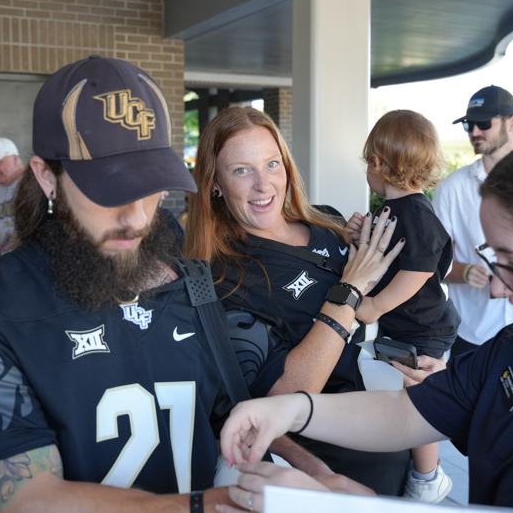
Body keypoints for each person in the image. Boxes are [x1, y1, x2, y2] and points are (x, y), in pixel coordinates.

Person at [0, 56, 337, 513]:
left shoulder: (190, 276)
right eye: (107, 190)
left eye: (149, 185)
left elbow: (229, 408)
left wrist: (307, 467)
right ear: (48, 177)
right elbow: (27, 499)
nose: (137, 217)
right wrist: (213, 505)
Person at [218, 121, 513, 513]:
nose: (499, 288)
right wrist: (291, 410)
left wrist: (360, 507)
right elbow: (405, 414)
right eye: (494, 260)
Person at [186, 106, 434, 496]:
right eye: (241, 170)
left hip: (395, 439)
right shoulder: (224, 277)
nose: (263, 185)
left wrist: (405, 364)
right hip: (328, 473)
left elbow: (368, 328)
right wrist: (347, 292)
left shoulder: (327, 223)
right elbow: (285, 396)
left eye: (271, 164)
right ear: (214, 182)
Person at [345, 110, 459, 502]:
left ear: (379, 164)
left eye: (368, 162)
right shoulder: (390, 211)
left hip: (424, 327)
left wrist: (374, 305)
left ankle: (429, 477)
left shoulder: (418, 213)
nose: (367, 170)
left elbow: (418, 272)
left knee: (418, 396)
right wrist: (363, 235)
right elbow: (383, 257)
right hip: (405, 324)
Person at [433, 86, 513, 355]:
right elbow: (432, 261)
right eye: (469, 125)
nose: (474, 132)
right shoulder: (452, 189)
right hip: (472, 337)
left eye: (484, 123)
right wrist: (466, 272)